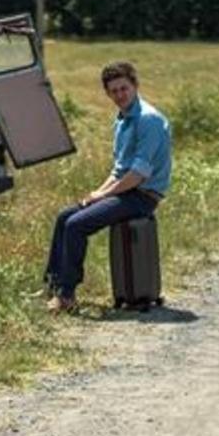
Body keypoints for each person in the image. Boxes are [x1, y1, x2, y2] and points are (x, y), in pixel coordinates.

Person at [44, 61, 172, 313]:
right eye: (113, 91)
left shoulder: (149, 120)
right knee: (64, 216)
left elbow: (137, 175)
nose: (119, 95)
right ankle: (53, 285)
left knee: (76, 225)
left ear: (135, 86)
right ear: (107, 93)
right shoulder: (122, 120)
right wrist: (96, 195)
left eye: (124, 88)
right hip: (126, 190)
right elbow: (119, 170)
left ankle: (67, 296)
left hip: (143, 196)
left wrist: (102, 195)